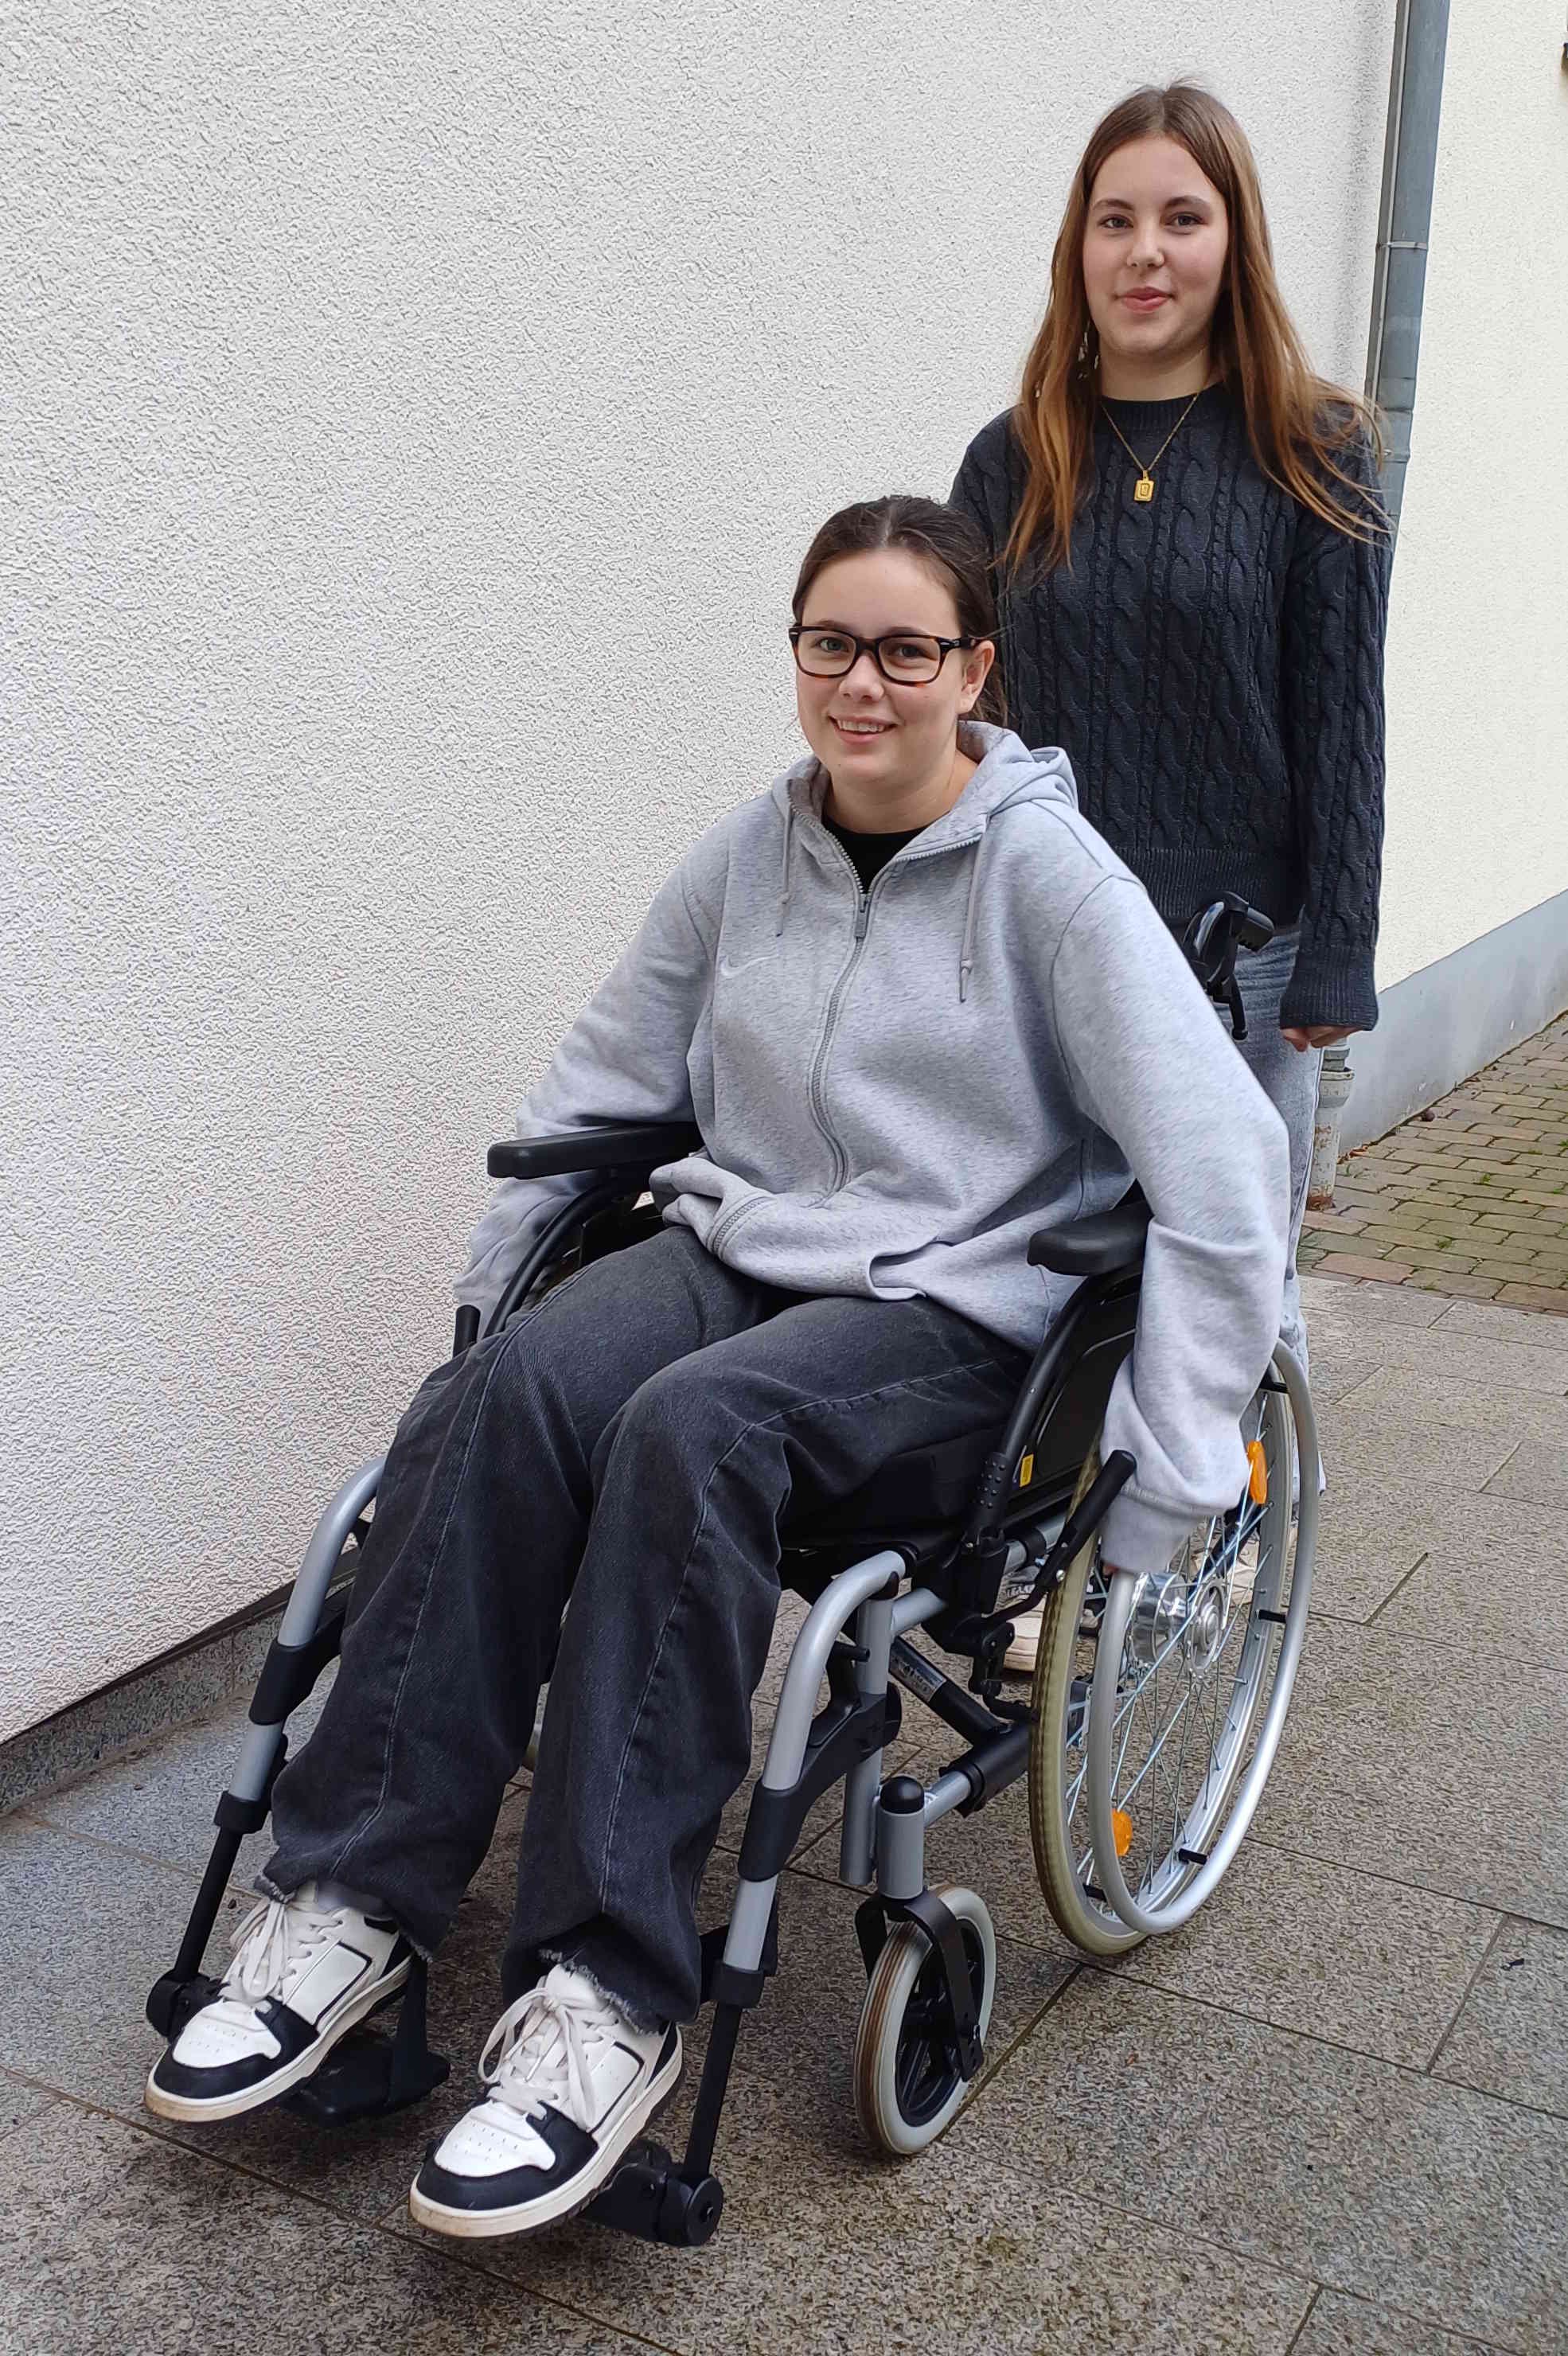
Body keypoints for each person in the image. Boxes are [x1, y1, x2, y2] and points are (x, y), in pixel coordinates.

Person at [144, 495, 1286, 2241]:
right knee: (511, 1391)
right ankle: (347, 1902)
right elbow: (596, 1083)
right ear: (796, 654)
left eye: (905, 649)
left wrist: (1171, 1471)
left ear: (974, 669)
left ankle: (602, 1996)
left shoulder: (1051, 883)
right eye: (831, 642)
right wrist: (496, 1294)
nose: (862, 683)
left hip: (950, 1309)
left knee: (694, 1429)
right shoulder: (748, 854)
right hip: (740, 1246)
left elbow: (1222, 1171)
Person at [950, 82, 1391, 1397]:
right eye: (1115, 220)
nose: (1145, 253)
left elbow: (1343, 719)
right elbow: (968, 714)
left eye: (1181, 218)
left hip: (1240, 953)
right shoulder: (1009, 461)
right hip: (1051, 936)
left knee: (1230, 1285)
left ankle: (1239, 1507)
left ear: (1232, 238)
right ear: (1077, 247)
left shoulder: (1316, 450)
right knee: (1034, 1267)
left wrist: (1339, 954)